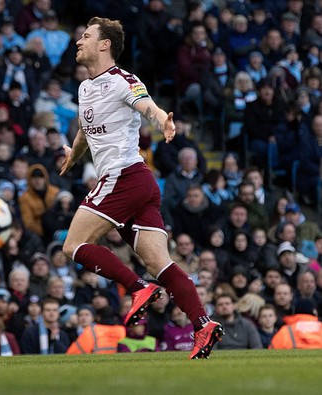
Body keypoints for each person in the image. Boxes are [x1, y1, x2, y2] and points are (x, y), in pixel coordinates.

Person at [59, 17, 223, 359]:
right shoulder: (85, 87)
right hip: (139, 184)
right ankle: (203, 324)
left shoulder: (123, 80)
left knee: (73, 245)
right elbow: (84, 129)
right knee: (160, 262)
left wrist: (162, 119)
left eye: (86, 36)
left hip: (124, 176)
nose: (79, 41)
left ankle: (137, 287)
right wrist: (73, 157)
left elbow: (146, 105)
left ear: (105, 45)